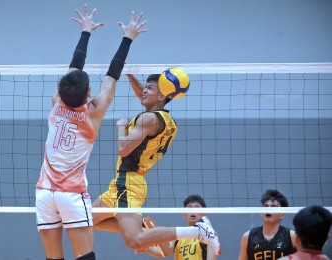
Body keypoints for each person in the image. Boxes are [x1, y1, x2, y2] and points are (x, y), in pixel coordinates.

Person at [35, 4, 147, 260]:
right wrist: (128, 38)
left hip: (44, 194)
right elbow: (112, 75)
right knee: (85, 258)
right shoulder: (93, 113)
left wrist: (85, 33)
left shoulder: (56, 103)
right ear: (87, 94)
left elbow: (73, 69)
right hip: (70, 195)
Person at [91, 73, 221, 256]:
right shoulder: (166, 121)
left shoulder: (148, 120)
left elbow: (123, 148)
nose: (143, 91)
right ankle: (146, 230)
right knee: (85, 221)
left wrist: (121, 127)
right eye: (144, 87)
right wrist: (129, 74)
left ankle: (197, 231)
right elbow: (148, 98)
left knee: (134, 241)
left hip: (128, 184)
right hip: (125, 182)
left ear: (161, 96)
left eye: (149, 88)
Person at [141, 194, 218, 260]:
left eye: (197, 207)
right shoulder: (178, 236)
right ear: (184, 214)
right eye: (189, 208)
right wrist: (147, 248)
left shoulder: (209, 233)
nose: (193, 210)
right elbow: (164, 251)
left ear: (204, 213)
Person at [238, 189, 297, 260]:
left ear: (282, 214)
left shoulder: (292, 237)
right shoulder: (247, 237)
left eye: (274, 207)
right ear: (261, 212)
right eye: (266, 206)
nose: (268, 209)